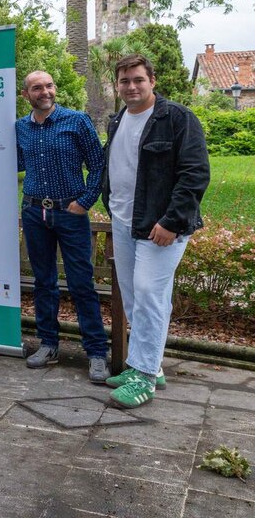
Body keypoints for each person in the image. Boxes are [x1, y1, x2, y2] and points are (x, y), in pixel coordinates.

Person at [101, 54, 209, 409]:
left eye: (138, 80)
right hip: (124, 220)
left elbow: (194, 175)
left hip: (161, 226)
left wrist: (172, 222)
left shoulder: (178, 118)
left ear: (152, 80)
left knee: (149, 292)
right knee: (135, 296)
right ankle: (151, 365)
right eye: (124, 81)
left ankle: (144, 377)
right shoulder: (118, 120)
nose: (131, 87)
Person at [17, 72, 109, 382]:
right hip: (34, 212)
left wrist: (85, 201)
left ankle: (96, 352)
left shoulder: (77, 121)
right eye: (37, 88)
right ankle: (48, 344)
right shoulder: (20, 127)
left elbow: (98, 164)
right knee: (44, 281)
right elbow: (14, 163)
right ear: (25, 94)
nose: (45, 92)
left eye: (49, 86)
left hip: (70, 212)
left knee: (82, 283)